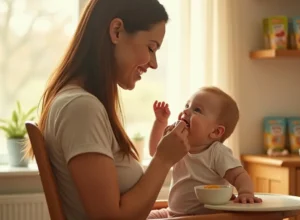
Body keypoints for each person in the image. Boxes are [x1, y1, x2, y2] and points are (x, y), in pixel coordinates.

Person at [24, 0, 191, 219]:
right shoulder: (81, 108)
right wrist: (163, 159)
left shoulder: (80, 104)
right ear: (117, 31)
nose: (154, 63)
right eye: (150, 48)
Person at [148, 86, 262, 218]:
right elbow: (155, 152)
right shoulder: (179, 145)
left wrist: (246, 193)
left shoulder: (217, 153)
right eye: (187, 105)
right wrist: (160, 122)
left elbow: (239, 176)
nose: (186, 110)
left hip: (203, 216)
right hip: (172, 212)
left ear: (215, 132)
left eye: (197, 110)